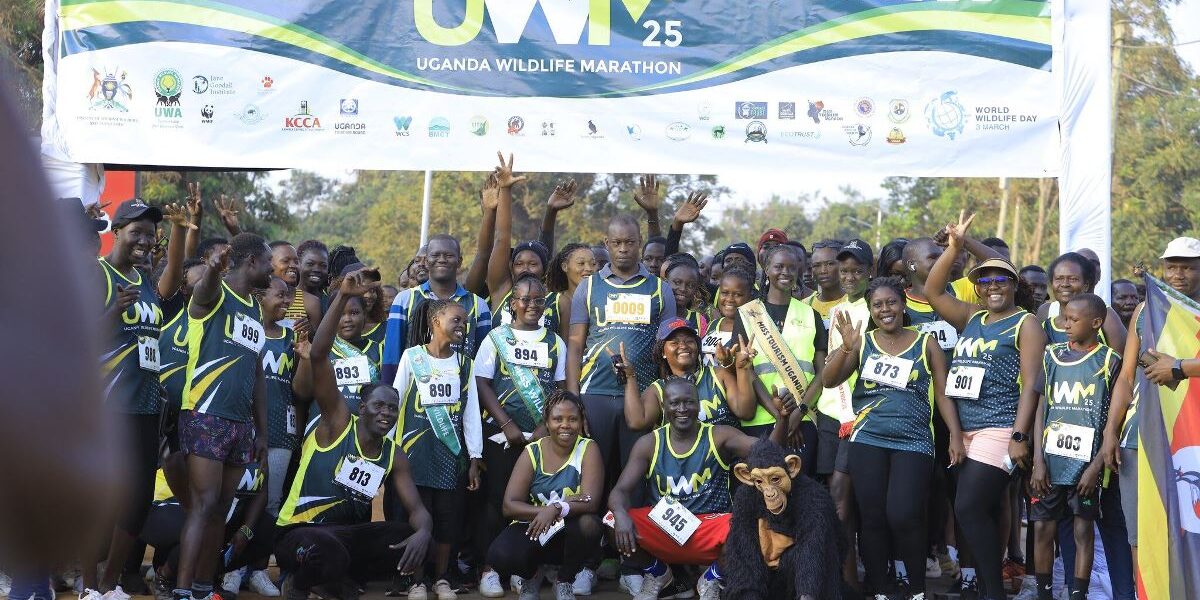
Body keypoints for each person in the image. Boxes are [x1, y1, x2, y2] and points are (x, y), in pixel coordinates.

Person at [275, 268, 433, 600]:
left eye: (392, 408)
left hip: (346, 534)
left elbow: (416, 510)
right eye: (378, 406)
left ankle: (334, 581)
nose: (386, 414)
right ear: (362, 407)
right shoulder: (337, 422)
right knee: (330, 554)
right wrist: (345, 295)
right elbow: (318, 354)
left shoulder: (393, 454)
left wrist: (424, 533)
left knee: (406, 536)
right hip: (300, 532)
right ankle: (300, 583)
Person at [924, 213, 1045, 600]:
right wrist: (956, 248)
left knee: (969, 508)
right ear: (977, 289)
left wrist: (1019, 436)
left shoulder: (1024, 324)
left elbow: (1032, 387)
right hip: (967, 430)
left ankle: (994, 590)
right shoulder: (973, 317)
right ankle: (991, 589)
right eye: (985, 280)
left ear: (1014, 285)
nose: (992, 285)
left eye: (1001, 280)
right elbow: (933, 291)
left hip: (1000, 428)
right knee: (977, 512)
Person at [823, 277, 965, 600]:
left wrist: (955, 434)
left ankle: (915, 589)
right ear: (871, 310)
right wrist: (846, 347)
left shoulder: (925, 342)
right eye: (877, 305)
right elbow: (830, 381)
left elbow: (943, 395)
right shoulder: (863, 342)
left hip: (913, 441)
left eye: (890, 303)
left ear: (903, 304)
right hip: (868, 438)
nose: (885, 310)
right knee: (872, 518)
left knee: (904, 514)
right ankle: (881, 590)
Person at [87, 198, 189, 600]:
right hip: (107, 404)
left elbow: (175, 275)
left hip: (146, 404)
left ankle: (110, 581)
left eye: (150, 234)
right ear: (117, 232)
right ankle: (88, 586)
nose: (144, 241)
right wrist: (113, 311)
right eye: (136, 232)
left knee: (140, 496)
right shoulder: (98, 275)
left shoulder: (146, 280)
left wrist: (181, 229)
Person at [608, 378, 792, 600]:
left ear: (699, 404)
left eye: (689, 402)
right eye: (675, 403)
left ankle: (713, 578)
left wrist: (782, 419)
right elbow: (620, 491)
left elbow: (768, 452)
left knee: (749, 526)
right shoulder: (649, 443)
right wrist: (620, 514)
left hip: (709, 528)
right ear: (664, 407)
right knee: (611, 520)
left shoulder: (719, 435)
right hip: (665, 528)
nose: (682, 409)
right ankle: (658, 574)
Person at [174, 233, 274, 600]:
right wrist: (213, 270)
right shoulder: (216, 294)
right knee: (202, 505)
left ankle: (203, 586)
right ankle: (183, 590)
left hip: (240, 424)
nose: (272, 270)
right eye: (268, 262)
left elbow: (258, 373)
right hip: (205, 413)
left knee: (220, 508)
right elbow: (201, 295)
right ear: (250, 263)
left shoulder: (253, 308)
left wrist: (262, 432)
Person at [1101, 237, 1200, 586]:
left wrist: (1181, 367)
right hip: (1140, 433)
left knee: (1191, 527)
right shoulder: (1145, 311)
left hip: (1191, 436)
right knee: (1141, 532)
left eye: (1187, 266)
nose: (1178, 273)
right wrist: (1110, 432)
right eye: (1172, 265)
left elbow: (1179, 367)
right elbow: (1126, 377)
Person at [473, 274, 569, 597]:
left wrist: (545, 427)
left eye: (538, 300)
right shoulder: (496, 338)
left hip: (541, 439)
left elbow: (558, 390)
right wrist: (505, 424)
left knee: (529, 502)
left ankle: (518, 568)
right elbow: (482, 383)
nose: (531, 305)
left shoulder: (555, 342)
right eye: (524, 299)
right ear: (513, 303)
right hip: (502, 437)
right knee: (496, 502)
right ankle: (489, 568)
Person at [566, 213, 676, 488]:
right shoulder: (589, 287)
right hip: (595, 394)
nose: (624, 249)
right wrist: (573, 397)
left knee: (635, 478)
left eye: (630, 242)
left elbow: (668, 348)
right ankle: (593, 531)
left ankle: (630, 529)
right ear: (607, 243)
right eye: (617, 243)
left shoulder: (660, 289)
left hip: (641, 396)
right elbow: (576, 343)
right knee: (592, 477)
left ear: (640, 242)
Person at [392, 298, 484, 599]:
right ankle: (417, 580)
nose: (463, 325)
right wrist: (389, 452)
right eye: (456, 320)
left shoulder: (464, 364)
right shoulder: (412, 357)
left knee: (448, 521)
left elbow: (470, 414)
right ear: (436, 322)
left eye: (465, 321)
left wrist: (474, 456)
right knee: (420, 519)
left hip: (451, 456)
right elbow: (395, 403)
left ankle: (441, 578)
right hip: (414, 455)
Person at [1030, 294, 1120, 600]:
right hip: (1050, 464)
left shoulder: (1109, 360)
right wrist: (1038, 461)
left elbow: (1114, 421)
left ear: (1095, 323)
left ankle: (1077, 594)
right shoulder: (1052, 355)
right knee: (1042, 528)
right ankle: (1044, 593)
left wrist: (1096, 468)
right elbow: (1041, 408)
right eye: (1064, 318)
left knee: (1083, 532)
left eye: (1073, 320)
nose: (1065, 325)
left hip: (1087, 468)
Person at [486, 391, 604, 600]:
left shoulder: (588, 448)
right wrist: (544, 512)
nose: (565, 425)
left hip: (569, 532)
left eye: (572, 419)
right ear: (547, 423)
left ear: (581, 421)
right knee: (499, 555)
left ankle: (565, 580)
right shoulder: (532, 452)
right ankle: (531, 577)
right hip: (535, 528)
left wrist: (556, 508)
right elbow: (509, 505)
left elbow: (590, 500)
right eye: (558, 419)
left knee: (590, 525)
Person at [816, 238, 874, 589]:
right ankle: (840, 576)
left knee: (845, 499)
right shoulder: (838, 310)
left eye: (857, 270)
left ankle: (849, 583)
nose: (849, 276)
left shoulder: (877, 307)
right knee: (834, 500)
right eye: (845, 270)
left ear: (870, 271)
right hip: (828, 413)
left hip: (858, 415)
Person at [731, 244, 826, 446]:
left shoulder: (811, 314)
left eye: (792, 268)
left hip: (803, 419)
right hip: (760, 419)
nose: (786, 272)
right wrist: (780, 416)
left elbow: (822, 373)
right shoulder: (747, 313)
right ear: (766, 270)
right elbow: (747, 371)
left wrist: (798, 413)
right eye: (779, 266)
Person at [381, 234, 491, 385]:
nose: (442, 259)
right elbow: (391, 357)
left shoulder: (478, 306)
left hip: (460, 395)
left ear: (459, 262)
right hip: (414, 395)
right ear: (426, 261)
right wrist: (389, 395)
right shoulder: (405, 300)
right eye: (435, 255)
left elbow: (482, 362)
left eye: (449, 255)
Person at [620, 318, 756, 431]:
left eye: (689, 341)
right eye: (674, 342)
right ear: (663, 352)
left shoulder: (719, 375)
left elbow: (746, 412)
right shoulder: (658, 390)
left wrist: (742, 369)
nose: (683, 346)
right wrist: (630, 377)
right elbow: (636, 423)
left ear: (697, 347)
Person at [1038, 252, 1126, 352]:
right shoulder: (1044, 316)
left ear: (1086, 286)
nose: (1065, 284)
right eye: (1059, 279)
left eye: (1073, 279)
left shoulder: (1106, 316)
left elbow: (1123, 363)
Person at [700, 268, 755, 367]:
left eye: (738, 294)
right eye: (724, 293)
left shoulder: (753, 328)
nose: (729, 299)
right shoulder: (712, 324)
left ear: (749, 298)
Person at [546, 243, 597, 339]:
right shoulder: (557, 301)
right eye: (581, 263)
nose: (589, 268)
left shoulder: (601, 299)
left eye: (593, 264)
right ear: (565, 267)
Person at [271, 240, 320, 329]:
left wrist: (310, 331)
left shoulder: (311, 303)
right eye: (286, 261)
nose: (293, 265)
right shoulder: (258, 299)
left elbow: (319, 341)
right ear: (269, 264)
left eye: (296, 261)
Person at [802, 239, 845, 328]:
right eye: (816, 265)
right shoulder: (805, 305)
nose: (823, 271)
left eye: (830, 264)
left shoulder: (855, 303)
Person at [661, 253, 708, 335]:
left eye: (690, 285)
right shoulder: (654, 313)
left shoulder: (699, 320)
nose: (683, 289)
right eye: (677, 282)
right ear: (665, 283)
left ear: (696, 289)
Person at [296, 240, 330, 309]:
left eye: (323, 265)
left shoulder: (330, 303)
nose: (317, 269)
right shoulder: (286, 299)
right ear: (298, 264)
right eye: (310, 264)